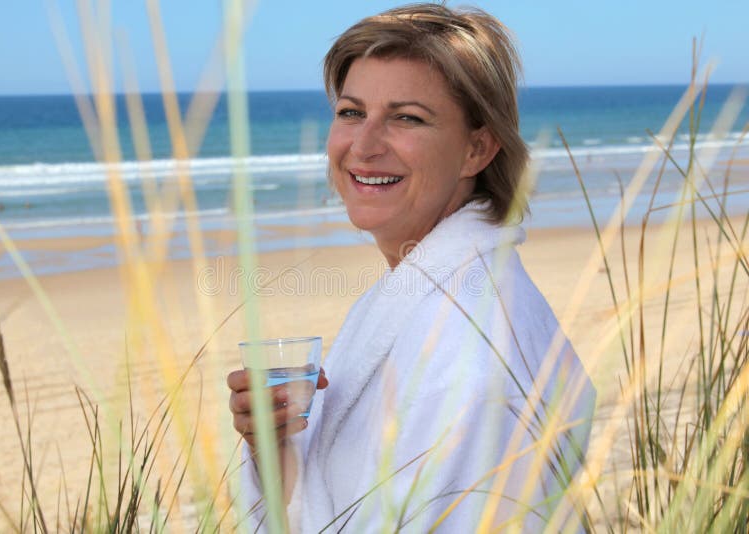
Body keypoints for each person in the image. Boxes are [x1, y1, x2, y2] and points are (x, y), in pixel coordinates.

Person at [227, 4, 596, 532]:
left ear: (477, 148)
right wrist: (274, 447)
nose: (364, 145)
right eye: (351, 112)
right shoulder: (418, 292)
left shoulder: (468, 355)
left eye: (407, 118)